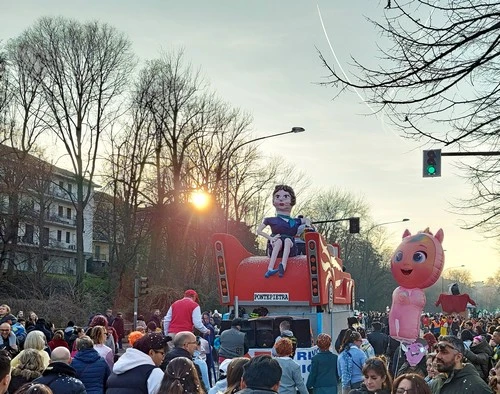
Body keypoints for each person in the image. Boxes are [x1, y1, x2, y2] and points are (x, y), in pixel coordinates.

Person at [256, 185, 310, 278]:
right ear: (273, 201)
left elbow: (307, 220)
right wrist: (271, 238)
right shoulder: (270, 219)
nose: (281, 199)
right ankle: (270, 268)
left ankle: (283, 266)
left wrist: (308, 227)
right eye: (277, 197)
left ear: (292, 201)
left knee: (288, 241)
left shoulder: (295, 221)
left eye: (286, 196)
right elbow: (259, 231)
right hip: (275, 244)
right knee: (278, 242)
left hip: (291, 248)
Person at [338, 329, 367, 394]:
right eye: (360, 341)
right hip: (358, 383)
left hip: (345, 385)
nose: (361, 343)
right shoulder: (360, 353)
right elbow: (366, 368)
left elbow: (339, 372)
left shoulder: (341, 354)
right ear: (355, 341)